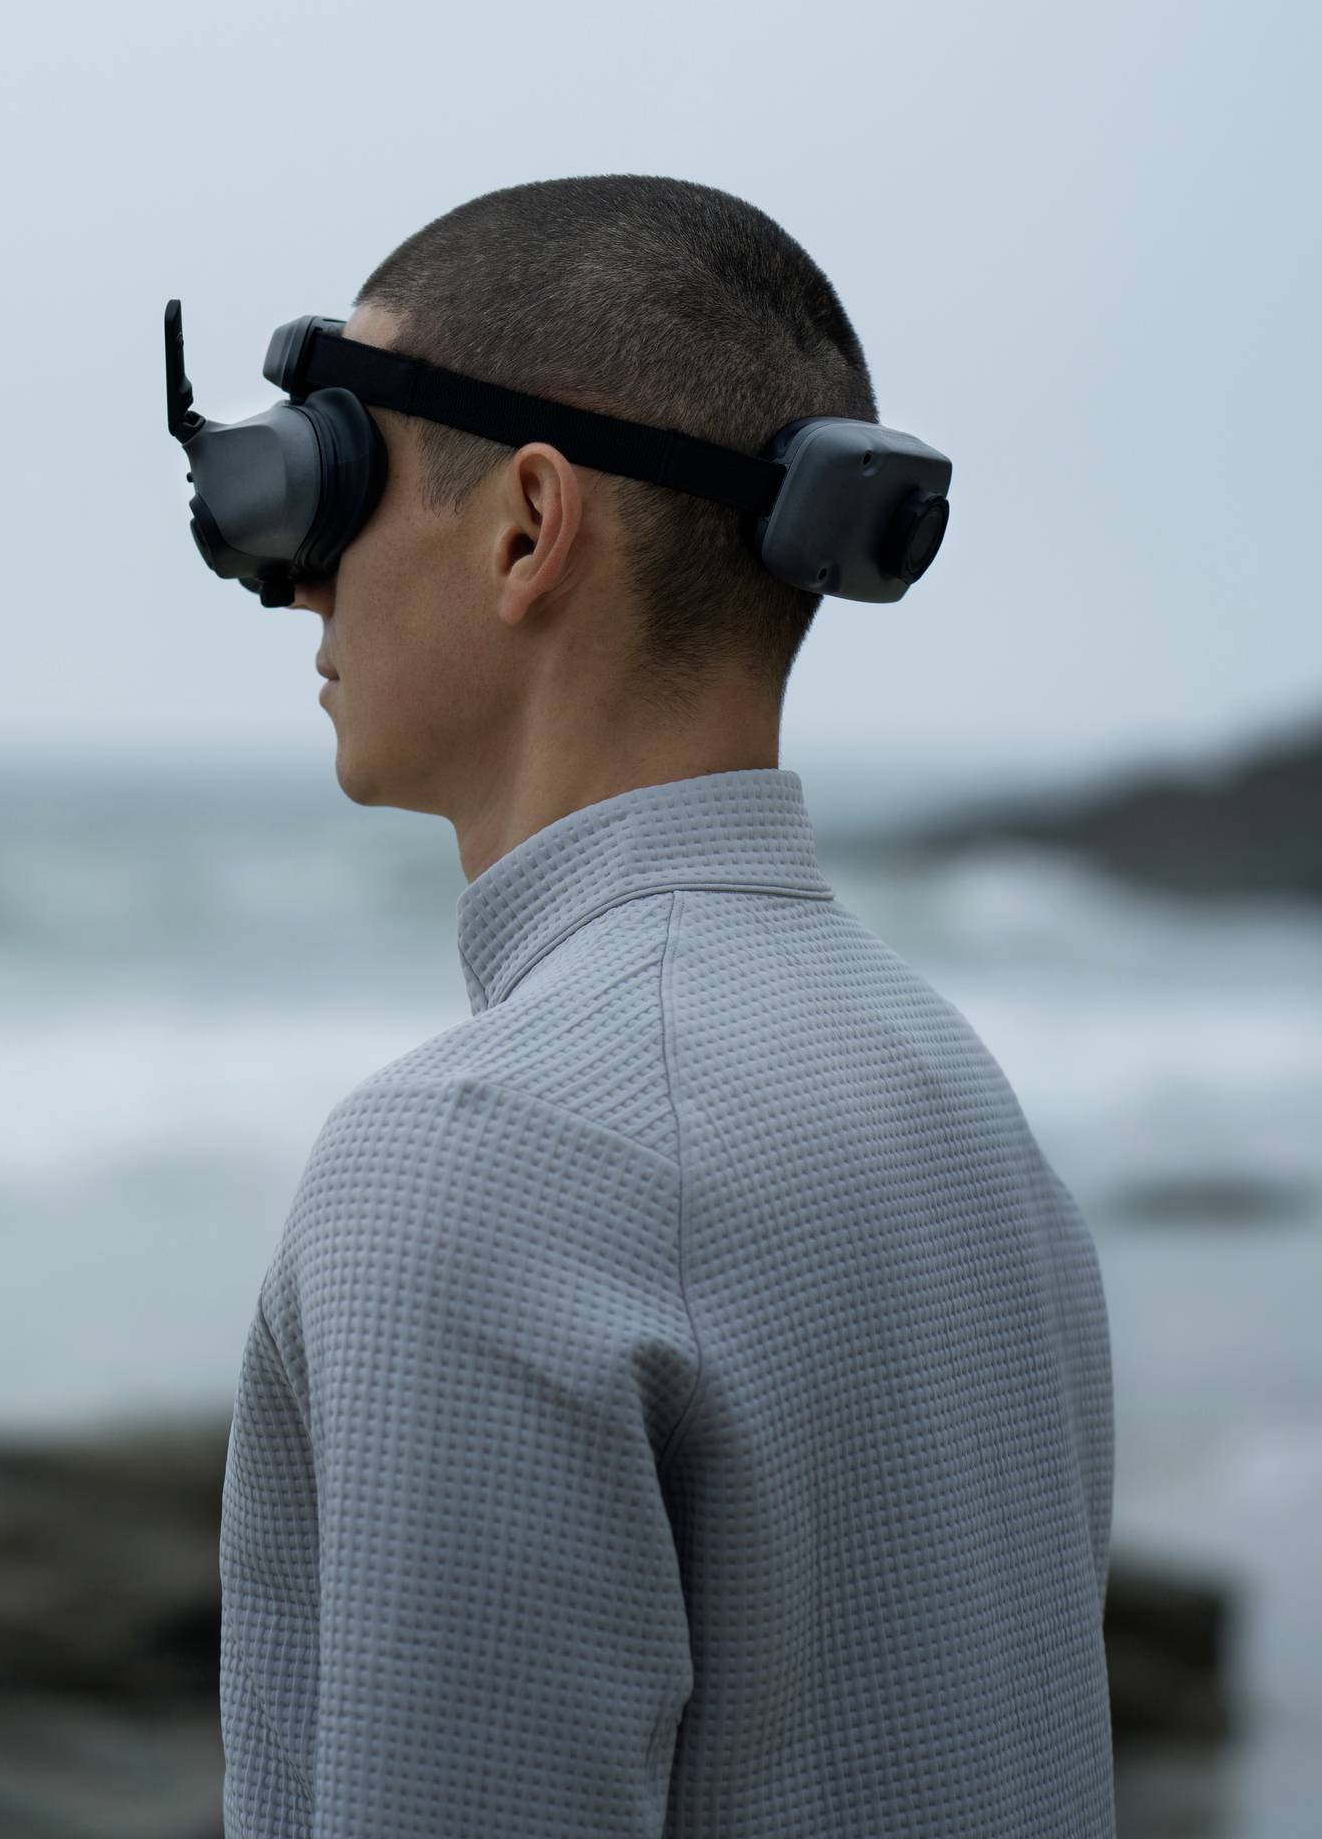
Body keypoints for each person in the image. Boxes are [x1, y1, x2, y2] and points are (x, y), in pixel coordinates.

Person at [214, 175, 1116, 1837]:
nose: (297, 580)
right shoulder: (949, 1095)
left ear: (528, 527)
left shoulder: (470, 1161)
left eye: (334, 473)